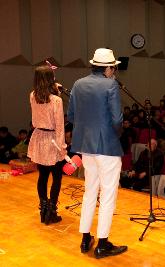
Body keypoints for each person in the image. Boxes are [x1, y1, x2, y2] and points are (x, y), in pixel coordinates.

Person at [67, 48, 127, 258]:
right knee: (108, 194)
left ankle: (85, 239)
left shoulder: (78, 83)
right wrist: (114, 134)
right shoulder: (110, 85)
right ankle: (102, 243)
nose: (114, 73)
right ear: (109, 68)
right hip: (107, 146)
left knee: (90, 191)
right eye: (114, 69)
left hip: (85, 145)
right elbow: (117, 119)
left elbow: (71, 115)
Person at [27, 65, 66, 225]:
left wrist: (54, 89)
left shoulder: (32, 95)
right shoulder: (56, 100)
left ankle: (43, 211)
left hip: (38, 137)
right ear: (51, 79)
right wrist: (62, 147)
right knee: (56, 177)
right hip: (52, 139)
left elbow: (43, 95)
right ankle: (52, 212)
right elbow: (60, 125)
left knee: (42, 176)